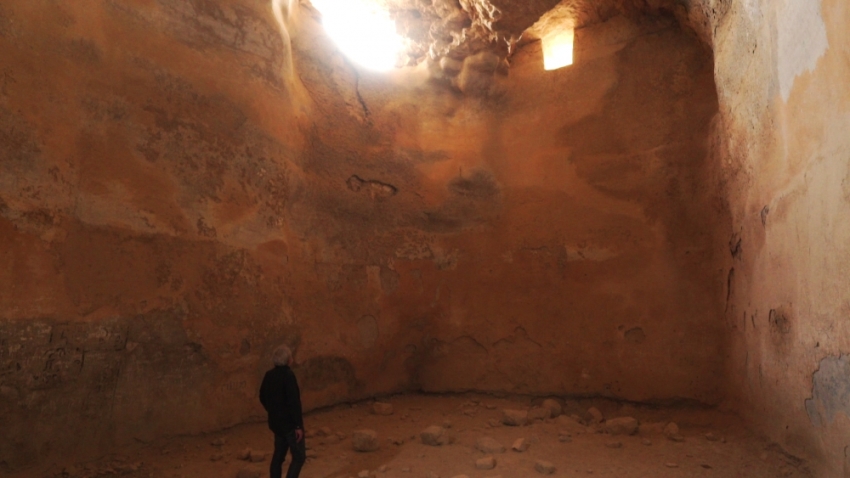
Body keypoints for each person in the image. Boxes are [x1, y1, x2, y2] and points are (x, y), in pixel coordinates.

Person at [259, 345, 306, 478]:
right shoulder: (288, 376)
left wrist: (272, 410)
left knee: (278, 457)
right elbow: (294, 403)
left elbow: (262, 396)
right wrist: (298, 426)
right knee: (299, 457)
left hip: (276, 424)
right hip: (290, 425)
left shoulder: (269, 375)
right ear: (288, 360)